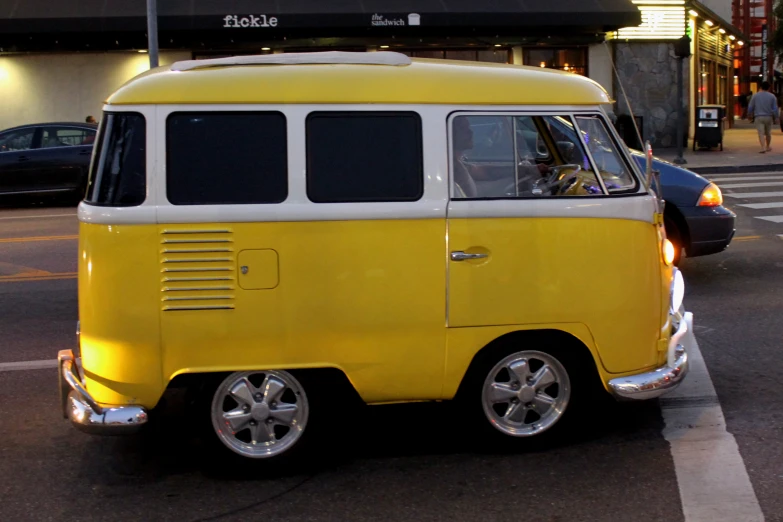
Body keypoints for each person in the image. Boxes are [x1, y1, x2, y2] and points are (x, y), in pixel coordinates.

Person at [748, 81, 779, 153]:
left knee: (761, 133)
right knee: (768, 133)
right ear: (769, 88)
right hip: (769, 116)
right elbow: (775, 108)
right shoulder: (772, 96)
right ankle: (768, 146)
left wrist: (749, 114)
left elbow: (751, 106)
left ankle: (763, 147)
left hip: (758, 116)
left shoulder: (755, 96)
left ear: (761, 87)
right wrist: (776, 117)